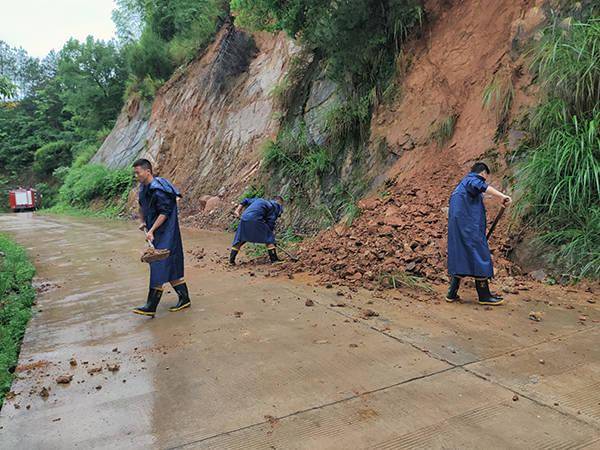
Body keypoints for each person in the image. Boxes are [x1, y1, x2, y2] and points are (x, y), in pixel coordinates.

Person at [446, 162, 512, 305]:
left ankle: (451, 293)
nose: (484, 180)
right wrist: (502, 196)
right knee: (480, 255)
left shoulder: (461, 187)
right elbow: (481, 186)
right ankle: (484, 295)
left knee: (461, 255)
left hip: (458, 228)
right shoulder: (472, 180)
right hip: (469, 228)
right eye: (485, 177)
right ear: (482, 173)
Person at [132, 159, 190, 317]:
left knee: (159, 263)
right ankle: (185, 299)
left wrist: (151, 230)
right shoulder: (144, 188)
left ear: (148, 171)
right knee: (169, 265)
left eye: (138, 172)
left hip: (167, 231)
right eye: (135, 173)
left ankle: (151, 305)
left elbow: (165, 213)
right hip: (156, 231)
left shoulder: (159, 190)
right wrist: (143, 221)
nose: (136, 175)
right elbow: (141, 206)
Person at [229, 196, 284, 265]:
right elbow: (270, 223)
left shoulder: (258, 200)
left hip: (244, 219)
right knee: (269, 239)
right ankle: (274, 260)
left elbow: (245, 200)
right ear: (279, 203)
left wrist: (237, 211)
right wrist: (271, 238)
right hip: (255, 219)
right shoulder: (274, 206)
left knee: (240, 239)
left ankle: (231, 261)